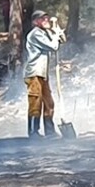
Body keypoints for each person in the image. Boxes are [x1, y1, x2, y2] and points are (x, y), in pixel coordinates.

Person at [23, 10, 65, 139]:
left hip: (43, 73)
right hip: (34, 73)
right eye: (43, 19)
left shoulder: (45, 33)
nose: (46, 20)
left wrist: (57, 30)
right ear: (36, 22)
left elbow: (61, 41)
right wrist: (55, 35)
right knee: (36, 101)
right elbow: (53, 46)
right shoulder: (35, 34)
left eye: (46, 18)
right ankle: (33, 132)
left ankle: (50, 131)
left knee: (49, 102)